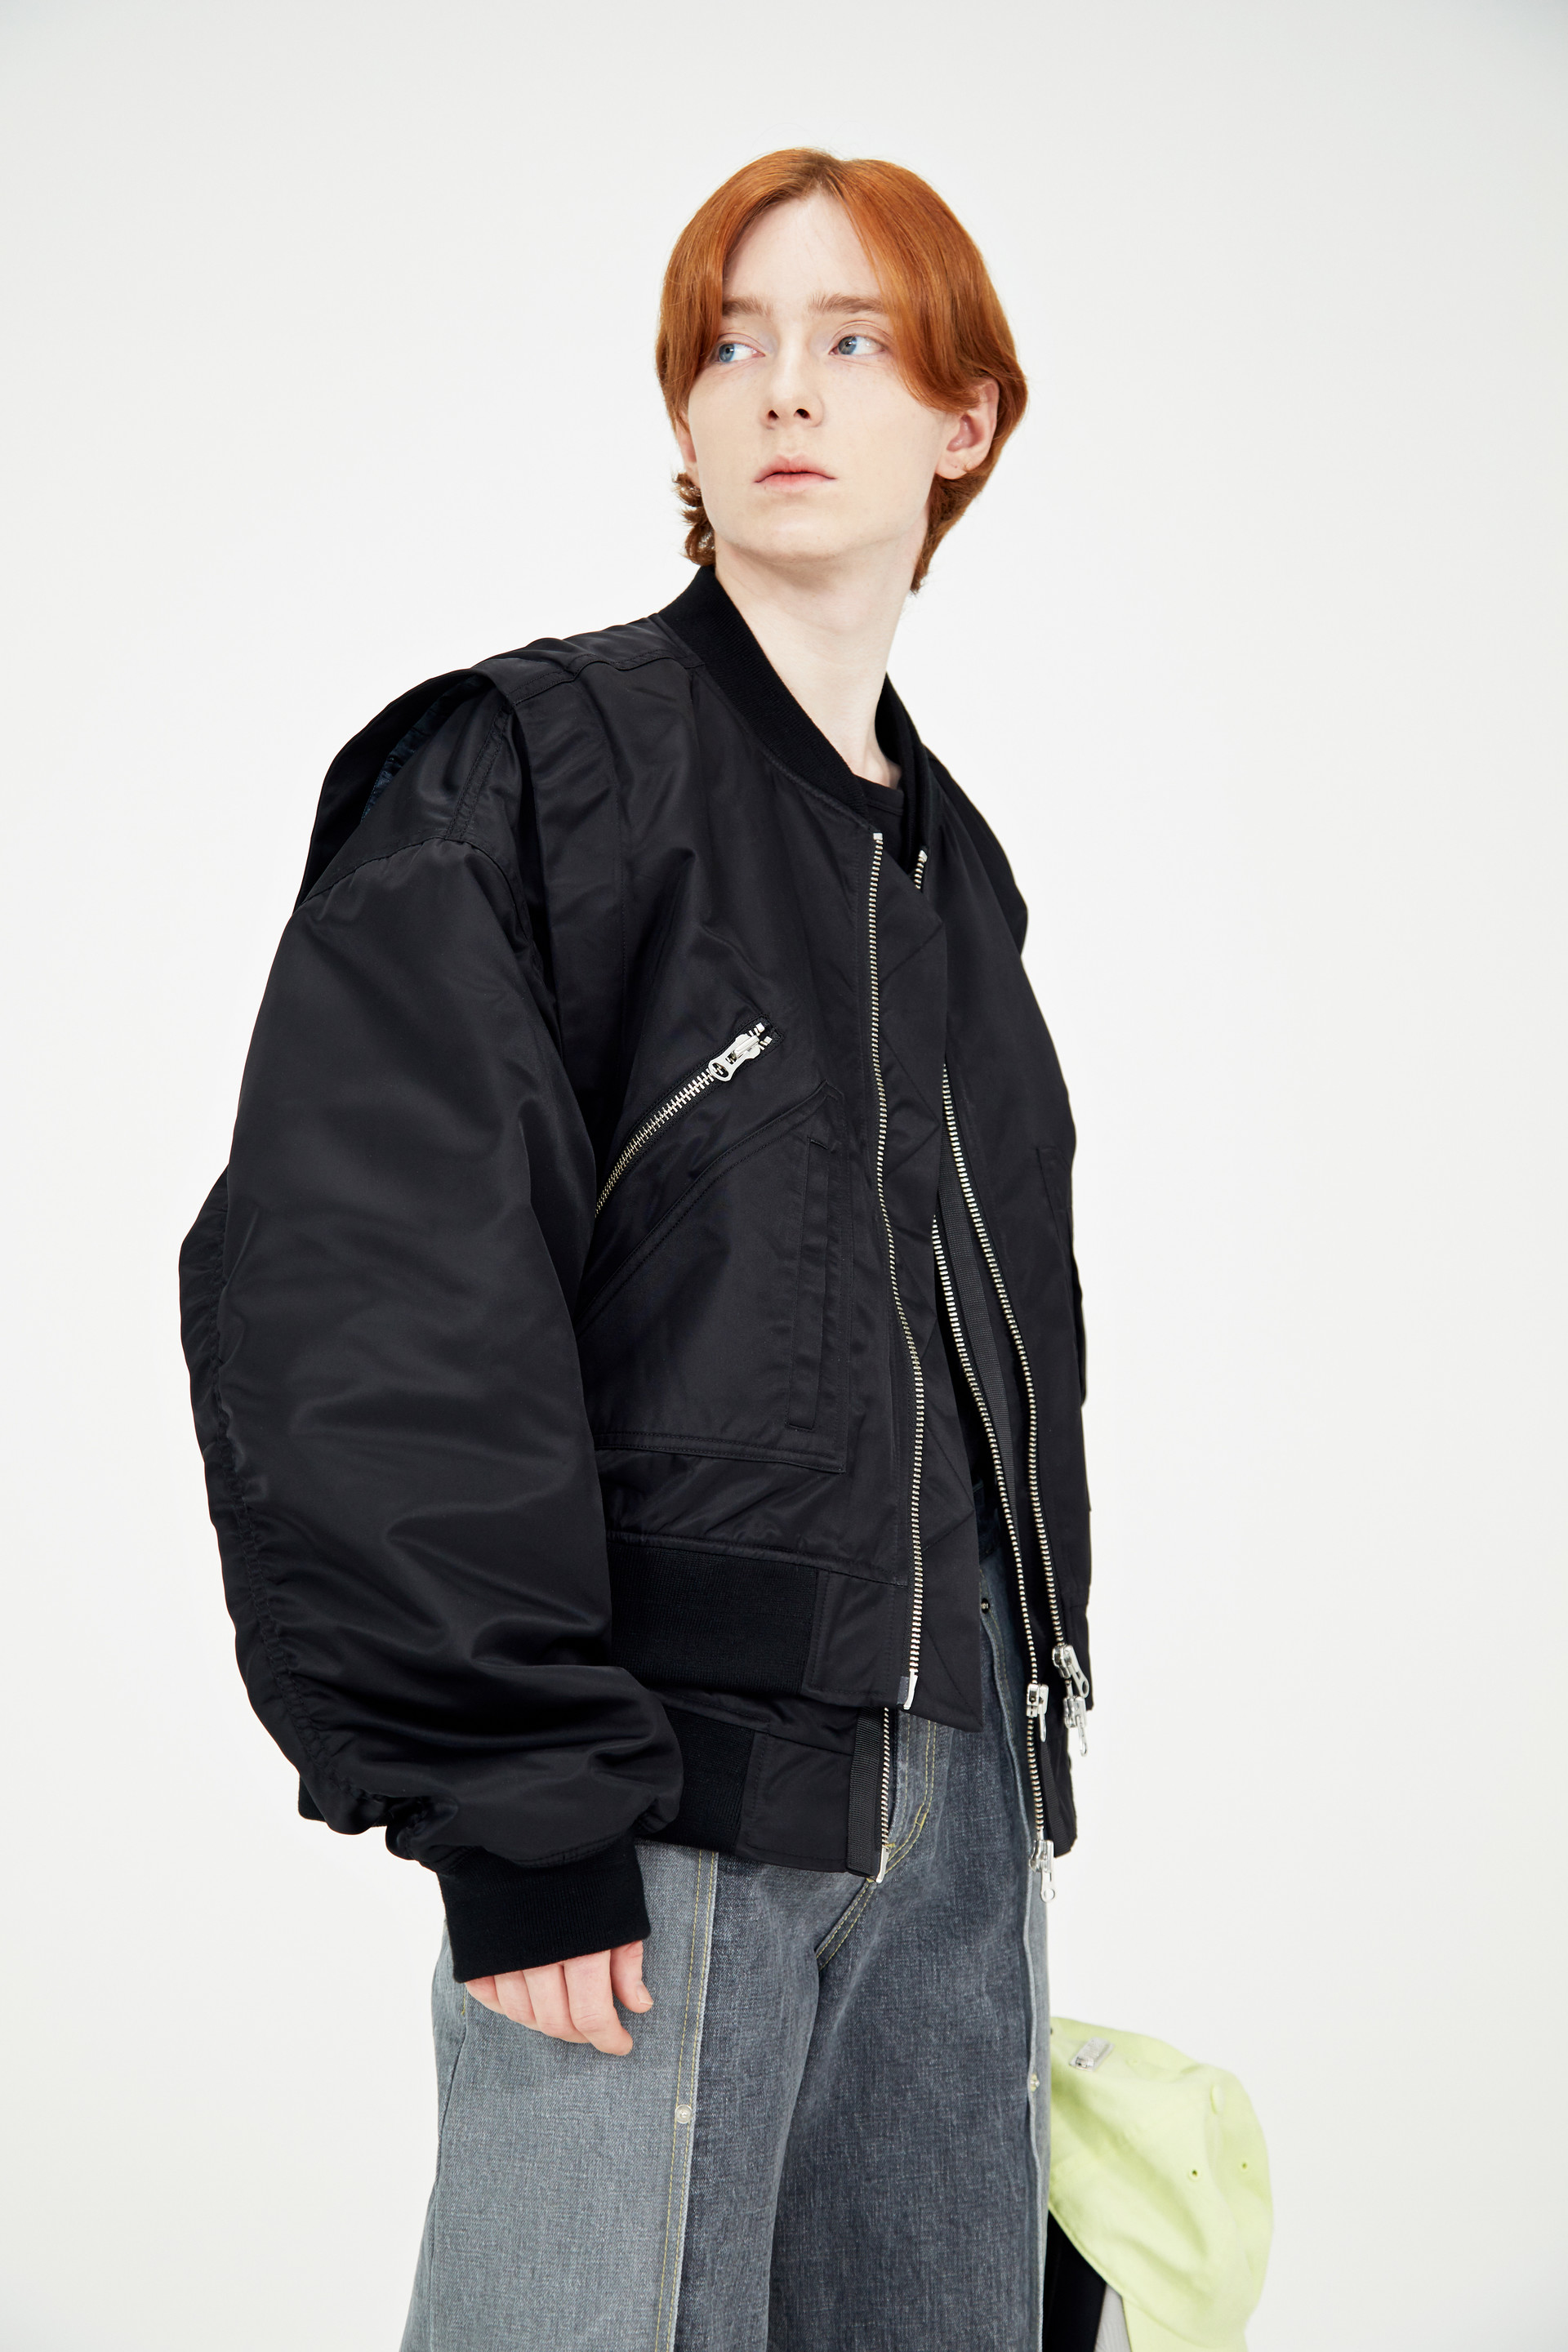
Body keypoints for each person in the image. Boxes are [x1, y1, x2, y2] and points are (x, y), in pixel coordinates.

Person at [180, 146, 1094, 2351]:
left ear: (964, 418)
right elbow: (370, 1289)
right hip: (654, 1806)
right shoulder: (532, 770)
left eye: (855, 340)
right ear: (683, 411)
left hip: (956, 1819)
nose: (784, 387)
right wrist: (519, 1805)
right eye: (732, 343)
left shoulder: (955, 877)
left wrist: (1001, 1827)